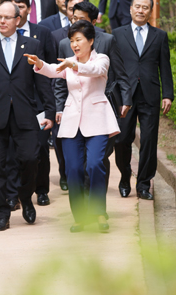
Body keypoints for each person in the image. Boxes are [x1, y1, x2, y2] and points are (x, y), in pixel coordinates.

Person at [26, 20, 120, 233]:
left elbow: (95, 70)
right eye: (71, 41)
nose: (74, 45)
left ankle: (98, 212)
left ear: (91, 40)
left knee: (95, 164)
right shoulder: (68, 61)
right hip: (71, 122)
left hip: (97, 121)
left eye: (78, 40)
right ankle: (79, 217)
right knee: (74, 169)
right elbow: (52, 70)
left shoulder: (102, 59)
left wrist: (74, 65)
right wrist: (39, 63)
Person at [0, 2, 55, 231]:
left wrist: (50, 111)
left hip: (25, 114)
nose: (2, 21)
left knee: (29, 159)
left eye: (7, 17)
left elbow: (43, 80)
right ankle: (1, 212)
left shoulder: (32, 45)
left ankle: (25, 197)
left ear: (18, 20)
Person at [54, 1, 131, 191]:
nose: (75, 22)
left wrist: (126, 99)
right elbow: (57, 77)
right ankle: (82, 210)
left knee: (96, 161)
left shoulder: (107, 42)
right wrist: (59, 106)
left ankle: (96, 207)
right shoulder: (66, 45)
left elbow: (117, 72)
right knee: (75, 166)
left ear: (93, 23)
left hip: (102, 109)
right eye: (74, 18)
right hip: (74, 114)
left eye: (81, 20)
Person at [112, 0, 174, 200]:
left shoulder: (160, 36)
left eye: (145, 7)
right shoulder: (118, 34)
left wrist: (168, 94)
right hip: (124, 96)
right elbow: (113, 66)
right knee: (121, 139)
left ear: (150, 11)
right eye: (137, 6)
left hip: (150, 94)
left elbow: (165, 67)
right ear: (130, 9)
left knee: (149, 140)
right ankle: (124, 176)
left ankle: (144, 184)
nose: (140, 10)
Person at [8, 0, 57, 207]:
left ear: (28, 9)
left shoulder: (43, 33)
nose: (18, 10)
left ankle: (42, 189)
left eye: (21, 6)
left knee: (39, 149)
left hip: (36, 102)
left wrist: (50, 108)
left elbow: (50, 70)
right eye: (13, 6)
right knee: (14, 152)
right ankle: (16, 192)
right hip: (11, 104)